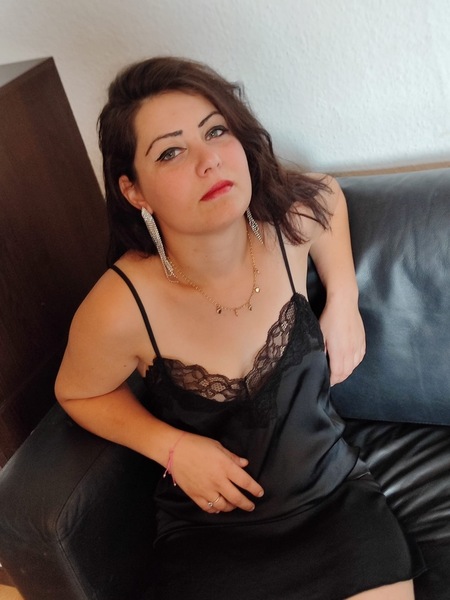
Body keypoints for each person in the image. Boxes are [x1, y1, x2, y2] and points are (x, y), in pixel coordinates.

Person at [55, 57, 422, 599]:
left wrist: (343, 297)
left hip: (335, 506)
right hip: (211, 538)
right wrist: (172, 447)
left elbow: (327, 193)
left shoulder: (288, 224)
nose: (209, 161)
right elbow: (78, 392)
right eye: (171, 152)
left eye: (216, 131)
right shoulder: (121, 305)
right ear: (135, 192)